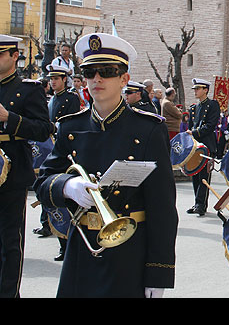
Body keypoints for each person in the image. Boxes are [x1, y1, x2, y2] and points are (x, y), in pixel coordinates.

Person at [33, 32, 178, 298]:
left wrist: (159, 272)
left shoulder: (148, 129)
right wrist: (68, 186)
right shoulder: (71, 126)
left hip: (129, 253)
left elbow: (162, 209)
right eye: (89, 72)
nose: (97, 79)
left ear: (124, 78)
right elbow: (42, 182)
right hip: (82, 250)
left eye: (107, 71)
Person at [0, 35, 52, 297]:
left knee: (9, 241)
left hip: (10, 172)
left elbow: (44, 129)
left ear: (13, 56)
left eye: (0, 55)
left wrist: (10, 118)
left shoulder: (28, 89)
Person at [41, 63, 81, 261]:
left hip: (64, 152)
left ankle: (67, 244)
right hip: (52, 148)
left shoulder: (71, 98)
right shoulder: (52, 100)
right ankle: (50, 227)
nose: (53, 82)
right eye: (51, 79)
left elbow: (70, 126)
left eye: (56, 79)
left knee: (64, 201)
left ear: (64, 79)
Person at [186, 78, 220, 216]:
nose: (195, 91)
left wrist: (194, 132)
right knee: (194, 175)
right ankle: (197, 203)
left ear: (205, 90)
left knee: (204, 176)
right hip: (195, 145)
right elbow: (191, 126)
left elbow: (210, 125)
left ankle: (201, 204)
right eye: (195, 89)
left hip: (206, 144)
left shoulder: (212, 105)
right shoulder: (194, 108)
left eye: (198, 89)